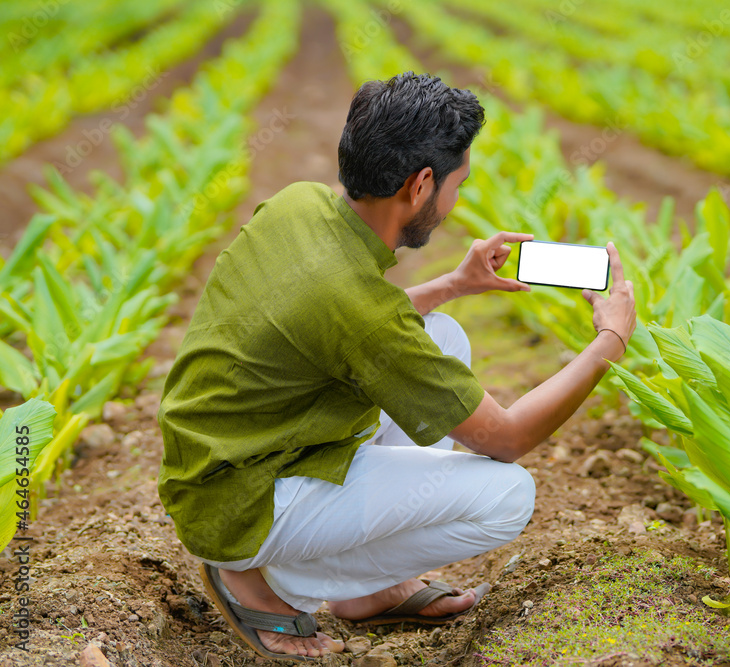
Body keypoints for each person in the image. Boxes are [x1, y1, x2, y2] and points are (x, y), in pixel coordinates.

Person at [156, 71, 636, 662]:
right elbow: (509, 438)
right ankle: (262, 584)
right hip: (236, 504)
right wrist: (609, 339)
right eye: (457, 185)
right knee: (507, 495)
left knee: (442, 335)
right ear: (422, 184)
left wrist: (457, 284)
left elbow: (339, 329)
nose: (454, 203)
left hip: (220, 453)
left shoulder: (298, 204)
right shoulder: (361, 309)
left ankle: (368, 593)